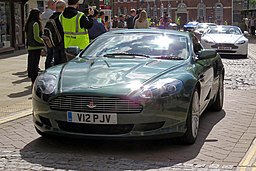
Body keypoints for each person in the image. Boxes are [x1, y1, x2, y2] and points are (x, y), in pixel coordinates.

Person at [24, 8, 45, 86]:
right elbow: (36, 37)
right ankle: (34, 80)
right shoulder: (35, 24)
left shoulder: (28, 23)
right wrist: (44, 42)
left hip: (30, 46)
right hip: (36, 47)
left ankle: (32, 80)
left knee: (31, 63)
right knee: (35, 65)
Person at [50, 0, 67, 65]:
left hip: (54, 41)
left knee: (56, 60)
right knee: (63, 61)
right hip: (62, 41)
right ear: (63, 8)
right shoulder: (63, 17)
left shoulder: (52, 17)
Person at [41, 0, 56, 69]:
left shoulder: (42, 14)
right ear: (52, 5)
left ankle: (47, 66)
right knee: (52, 53)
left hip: (44, 35)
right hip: (52, 36)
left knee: (48, 53)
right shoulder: (53, 14)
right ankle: (50, 67)